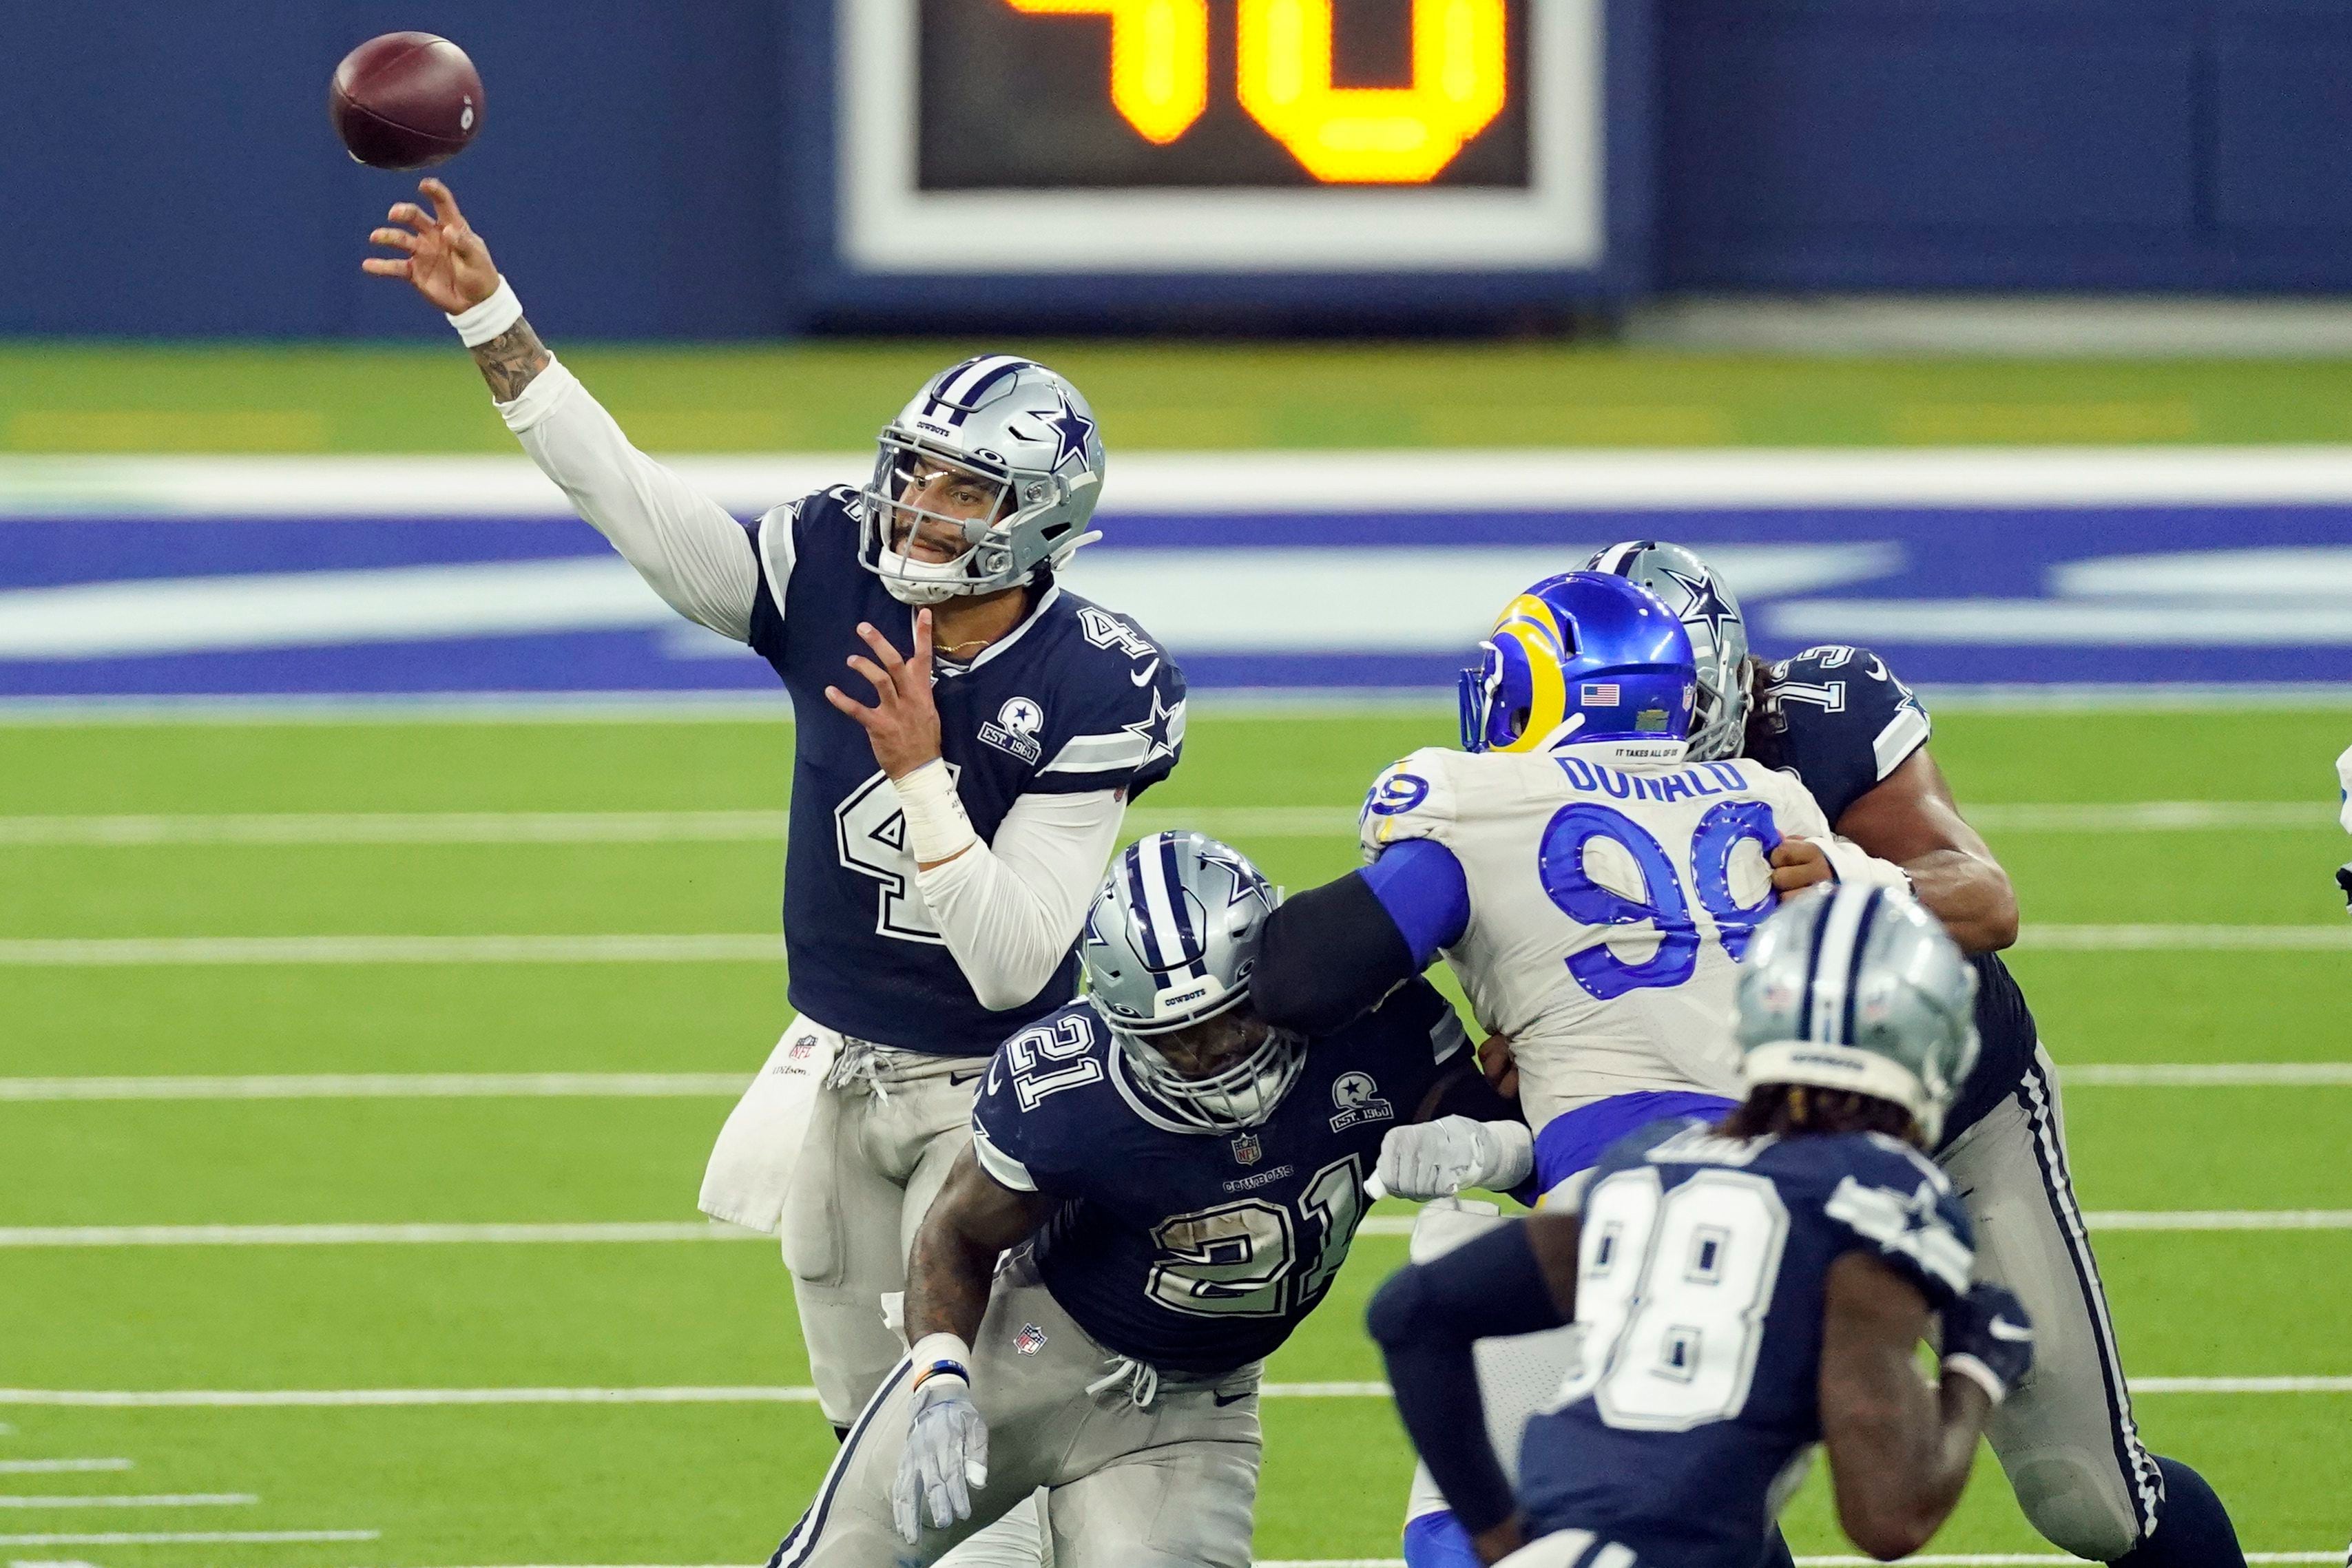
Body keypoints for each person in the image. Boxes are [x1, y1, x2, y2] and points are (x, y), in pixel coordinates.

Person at [367, 180, 1187, 1566]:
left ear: (1040, 518)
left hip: (998, 1091)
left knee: (964, 1458)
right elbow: (631, 501)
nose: (920, 506)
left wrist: (921, 770)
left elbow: (1011, 963)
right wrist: (493, 323)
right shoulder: (829, 562)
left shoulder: (1092, 679)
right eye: (916, 471)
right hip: (839, 1066)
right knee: (866, 1442)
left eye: (964, 488)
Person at [1573, 541, 2243, 1566]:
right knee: (1695, 1480)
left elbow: (1984, 899)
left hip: (1951, 1124)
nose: (1629, 727)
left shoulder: (1820, 719)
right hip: (1746, 1161)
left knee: (2089, 1497)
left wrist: (1861, 885)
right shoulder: (1540, 793)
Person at [1250, 568, 1896, 1568]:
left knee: (1472, 1523)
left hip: (1638, 1204)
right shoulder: (1768, 798)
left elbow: (1298, 978)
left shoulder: (1477, 809)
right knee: (1702, 1505)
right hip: (1813, 1213)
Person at [764, 832, 1516, 1567]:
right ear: (1122, 1027)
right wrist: (940, 1378)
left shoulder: (1381, 1026)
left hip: (1193, 1414)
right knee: (841, 1555)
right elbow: (959, 1233)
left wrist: (1494, 1145)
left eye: (1233, 1015)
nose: (1213, 1054)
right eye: (1176, 1038)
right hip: (1031, 1352)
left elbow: (1550, 1161)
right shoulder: (1069, 1090)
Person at [1366, 884, 2034, 1568]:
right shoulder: (1878, 1197)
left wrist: (1493, 1532)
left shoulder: (1651, 1163)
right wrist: (1976, 1368)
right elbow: (1888, 1518)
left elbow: (1408, 1312)